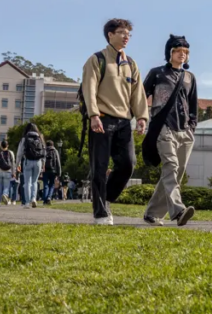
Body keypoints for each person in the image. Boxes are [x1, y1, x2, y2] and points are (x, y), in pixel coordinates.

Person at [82, 19, 149, 225]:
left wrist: (142, 117)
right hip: (101, 119)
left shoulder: (131, 64)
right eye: (121, 32)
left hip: (123, 123)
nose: (126, 36)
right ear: (110, 35)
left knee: (128, 164)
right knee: (99, 167)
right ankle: (100, 213)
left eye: (128, 33)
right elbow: (89, 89)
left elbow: (138, 93)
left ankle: (106, 198)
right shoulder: (97, 60)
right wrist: (93, 115)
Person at [142, 34, 197, 227]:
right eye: (178, 51)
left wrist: (192, 127)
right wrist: (141, 119)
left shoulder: (190, 77)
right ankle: (178, 210)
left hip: (185, 132)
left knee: (175, 172)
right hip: (163, 128)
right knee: (171, 167)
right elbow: (141, 96)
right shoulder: (157, 73)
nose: (182, 54)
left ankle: (152, 214)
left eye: (185, 52)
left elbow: (193, 105)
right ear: (170, 52)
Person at [17, 123, 46, 208]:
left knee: (27, 183)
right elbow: (44, 151)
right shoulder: (40, 137)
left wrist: (17, 164)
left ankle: (27, 203)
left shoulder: (25, 138)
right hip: (38, 161)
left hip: (27, 161)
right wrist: (43, 163)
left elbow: (20, 152)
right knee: (35, 181)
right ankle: (34, 198)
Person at [0, 140, 16, 206]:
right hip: (8, 172)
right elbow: (13, 163)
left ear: (1, 146)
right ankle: (5, 194)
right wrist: (13, 172)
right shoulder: (11, 152)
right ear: (7, 145)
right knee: (6, 186)